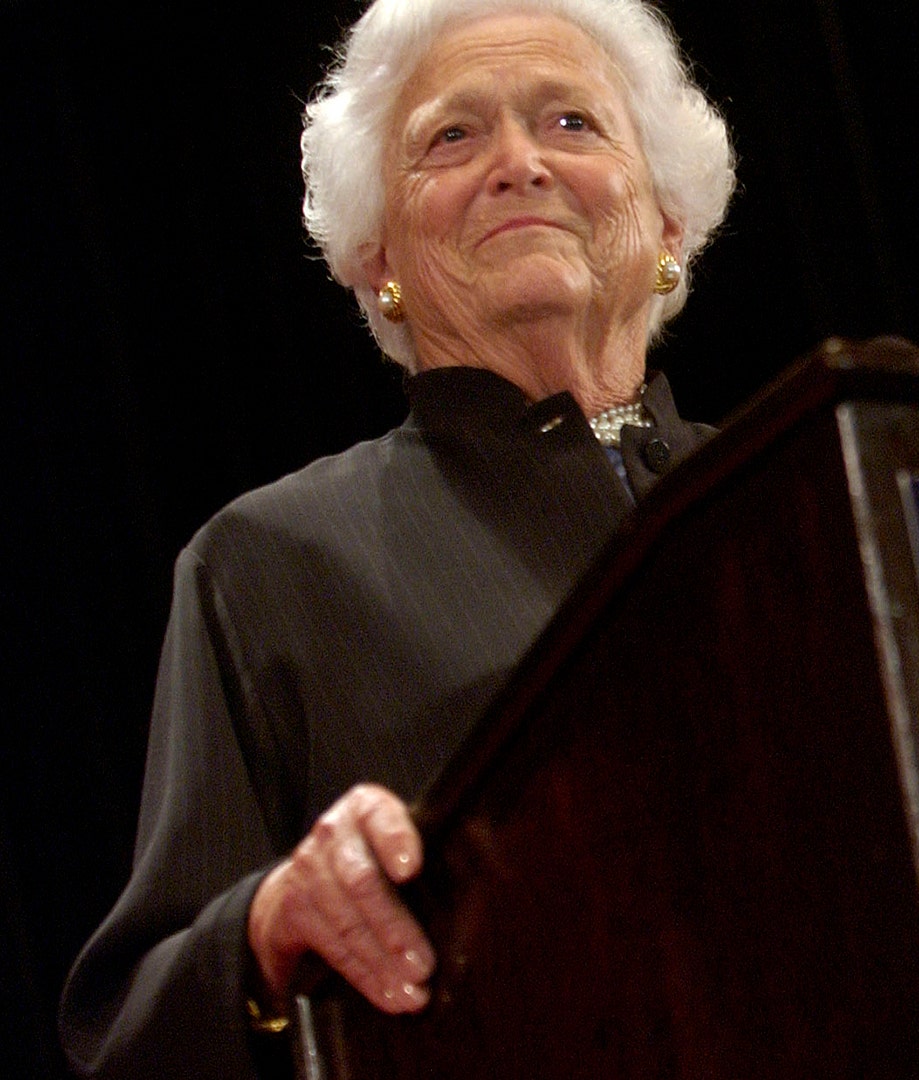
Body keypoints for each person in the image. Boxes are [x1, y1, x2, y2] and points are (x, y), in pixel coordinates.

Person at [57, 0, 735, 1075]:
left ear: (665, 227)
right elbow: (132, 1033)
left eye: (571, 123)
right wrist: (274, 925)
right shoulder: (273, 562)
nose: (519, 163)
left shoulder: (803, 482)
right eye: (452, 138)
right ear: (378, 259)